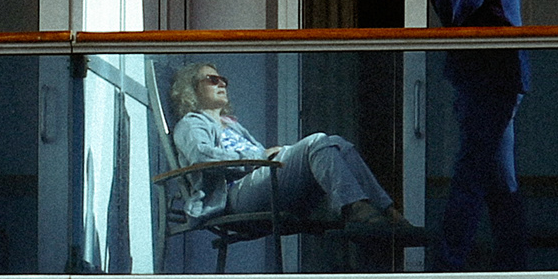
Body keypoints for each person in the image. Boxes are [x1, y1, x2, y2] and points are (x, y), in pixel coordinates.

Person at [161, 63, 404, 244]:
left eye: (223, 79)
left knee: (338, 144)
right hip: (232, 197)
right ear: (192, 88)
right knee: (317, 141)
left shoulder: (232, 125)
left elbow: (261, 157)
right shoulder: (191, 123)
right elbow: (202, 157)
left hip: (261, 185)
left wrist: (273, 155)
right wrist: (261, 157)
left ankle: (388, 211)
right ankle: (355, 209)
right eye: (212, 79)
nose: (222, 84)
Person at [420, 0, 530, 270]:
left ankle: (447, 266)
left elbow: (452, 12)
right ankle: (514, 265)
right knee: (498, 181)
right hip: (491, 82)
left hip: (489, 84)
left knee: (470, 175)